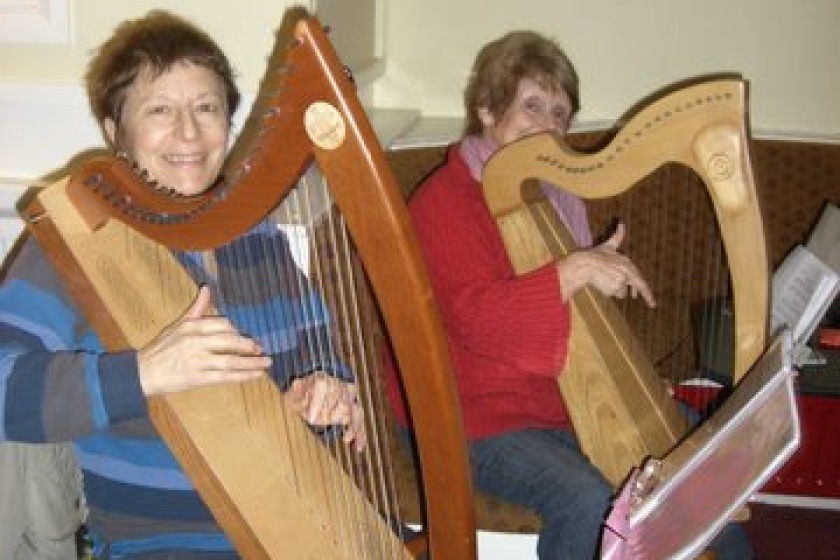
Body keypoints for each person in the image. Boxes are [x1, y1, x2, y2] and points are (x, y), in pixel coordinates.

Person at [0, 10, 365, 559]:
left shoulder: (256, 237)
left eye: (207, 108)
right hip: (159, 545)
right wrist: (144, 372)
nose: (189, 133)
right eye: (160, 111)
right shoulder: (72, 248)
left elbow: (321, 355)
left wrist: (325, 395)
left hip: (292, 518)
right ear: (114, 132)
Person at [386, 31, 754, 559]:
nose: (546, 125)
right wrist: (575, 268)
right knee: (587, 500)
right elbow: (479, 321)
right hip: (469, 415)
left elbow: (577, 323)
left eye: (559, 113)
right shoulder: (445, 202)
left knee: (705, 456)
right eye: (530, 106)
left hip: (552, 400)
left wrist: (635, 380)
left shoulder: (553, 197)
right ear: (487, 110)